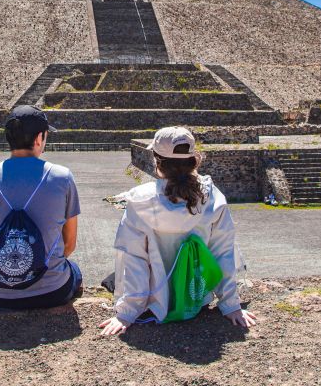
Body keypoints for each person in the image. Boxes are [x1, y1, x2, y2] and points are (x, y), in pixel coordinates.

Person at [99, 126, 257, 335]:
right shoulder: (212, 196)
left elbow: (135, 259)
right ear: (194, 160)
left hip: (155, 300)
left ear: (156, 160)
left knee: (111, 278)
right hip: (196, 295)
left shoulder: (139, 201)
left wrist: (127, 312)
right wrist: (230, 305)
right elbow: (223, 251)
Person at [0, 105, 81, 309]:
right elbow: (69, 244)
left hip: (0, 293)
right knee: (75, 270)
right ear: (39, 138)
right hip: (53, 291)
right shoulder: (62, 177)